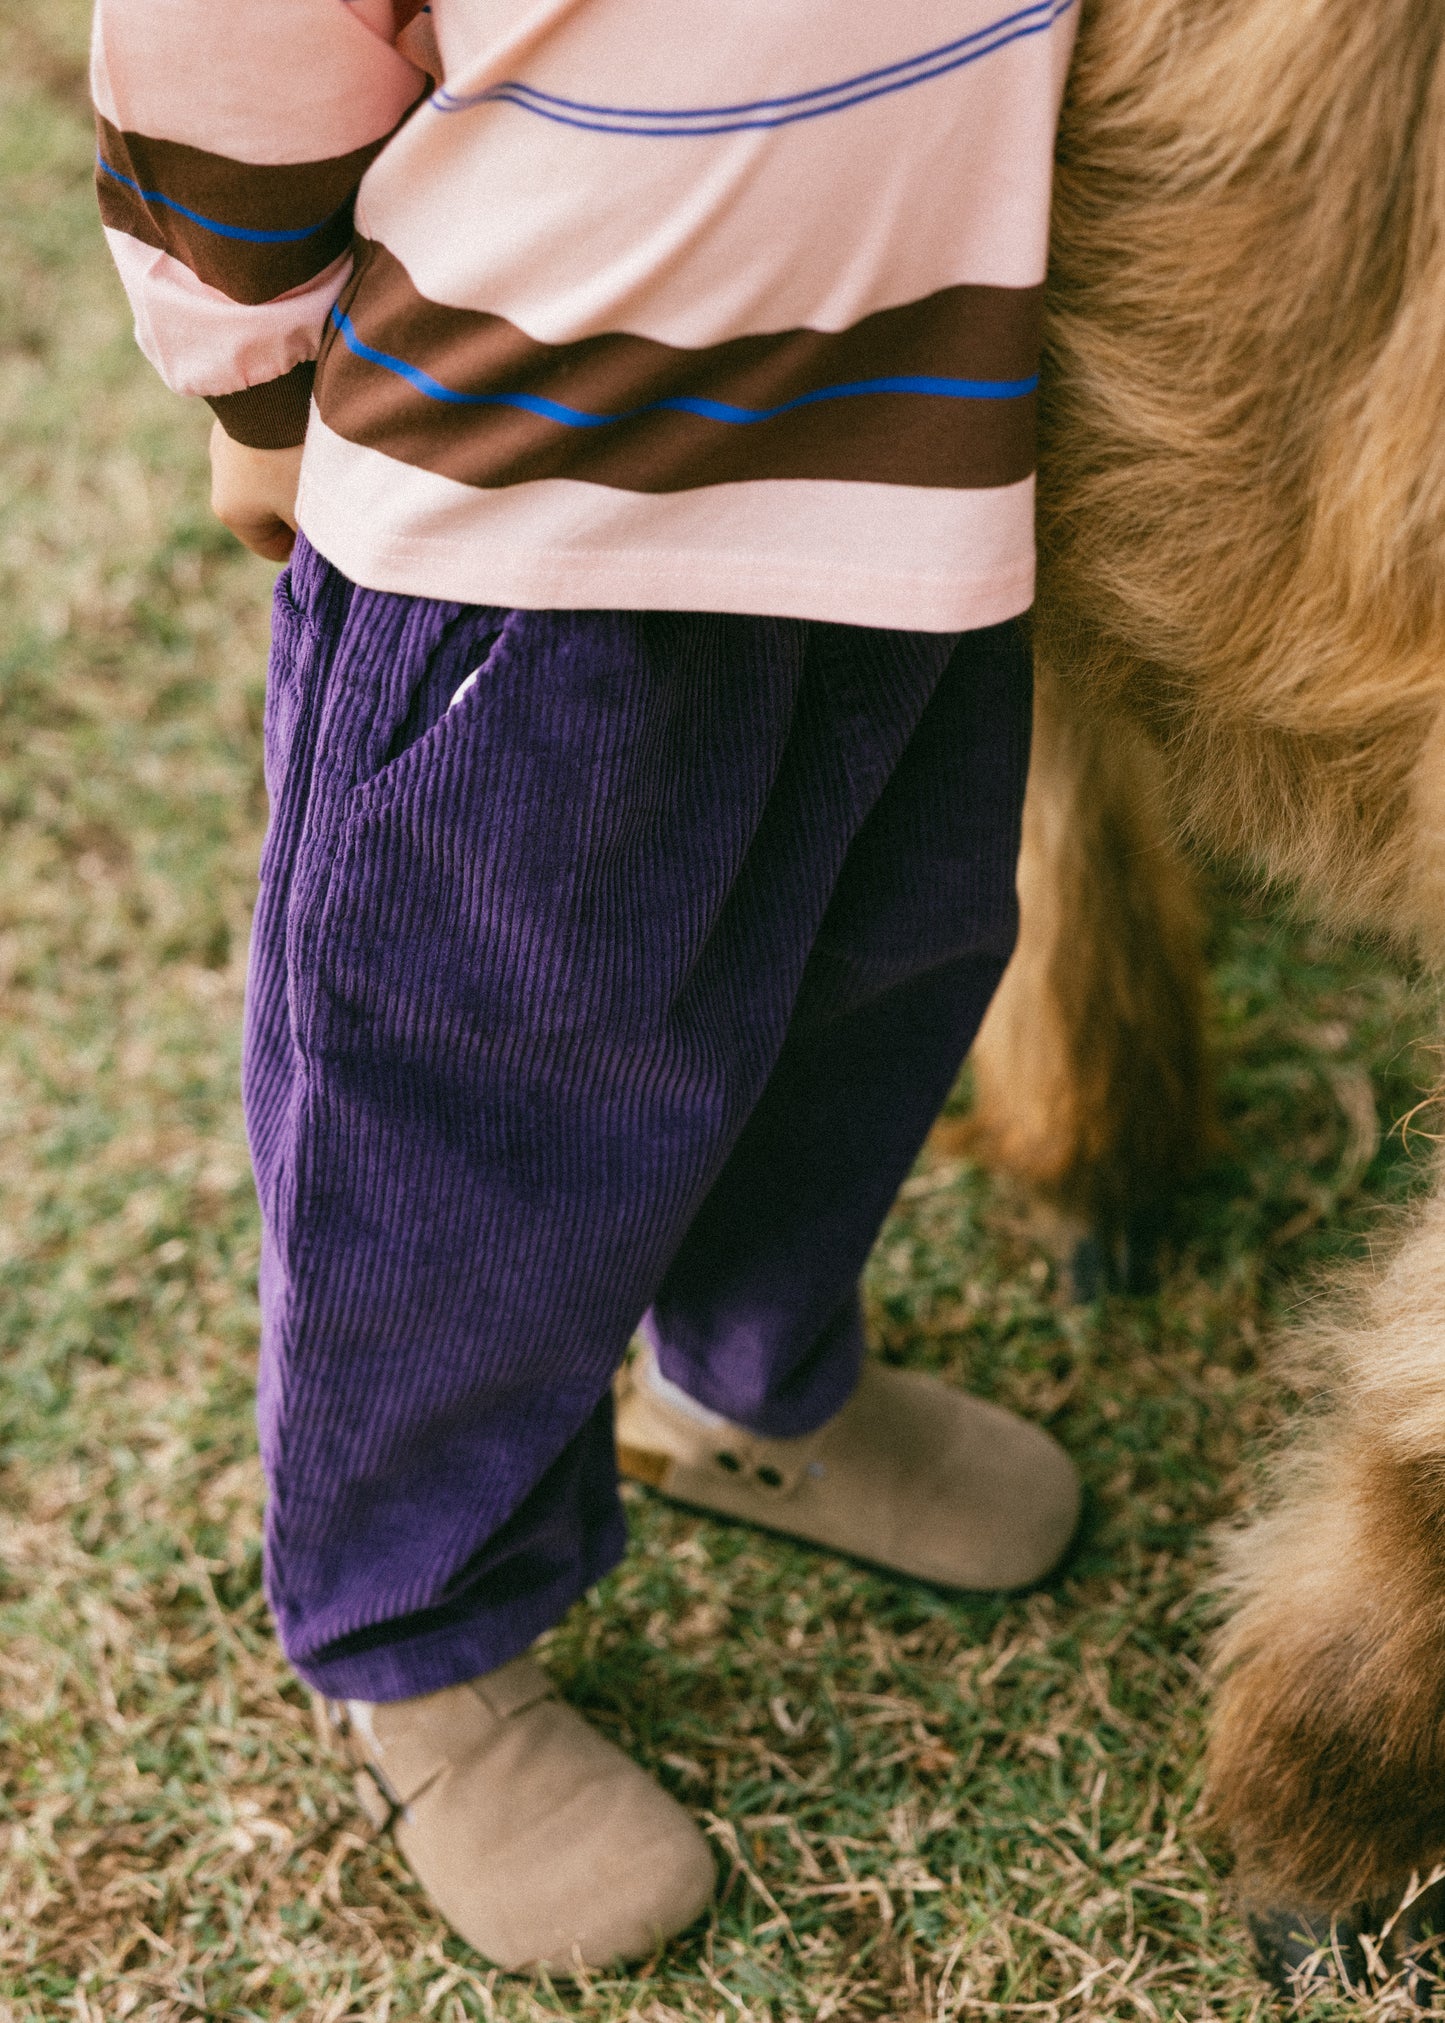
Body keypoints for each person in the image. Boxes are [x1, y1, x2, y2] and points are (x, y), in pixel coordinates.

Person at [91, 0, 1081, 1972]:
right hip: (532, 513)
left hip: (920, 464)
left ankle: (752, 1380)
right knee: (471, 1123)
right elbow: (231, 35)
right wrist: (255, 379)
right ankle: (416, 1627)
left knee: (871, 985)